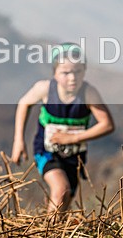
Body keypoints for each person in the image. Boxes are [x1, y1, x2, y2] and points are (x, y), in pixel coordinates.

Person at [11, 43, 114, 215]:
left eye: (77, 71)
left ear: (84, 70)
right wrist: (18, 140)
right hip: (46, 151)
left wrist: (73, 138)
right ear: (55, 73)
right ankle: (47, 231)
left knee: (65, 199)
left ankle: (52, 225)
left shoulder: (88, 94)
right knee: (61, 189)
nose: (72, 78)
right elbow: (24, 103)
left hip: (74, 157)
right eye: (65, 73)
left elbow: (107, 124)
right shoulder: (45, 89)